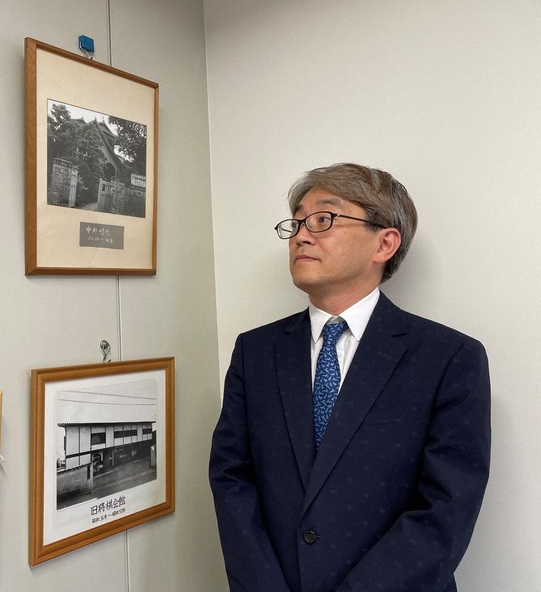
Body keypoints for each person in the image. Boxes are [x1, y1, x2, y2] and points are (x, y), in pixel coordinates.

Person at [209, 163, 491, 592]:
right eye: (298, 221)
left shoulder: (449, 357)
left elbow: (446, 508)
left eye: (324, 219)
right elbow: (232, 479)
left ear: (385, 243)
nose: (302, 234)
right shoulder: (256, 351)